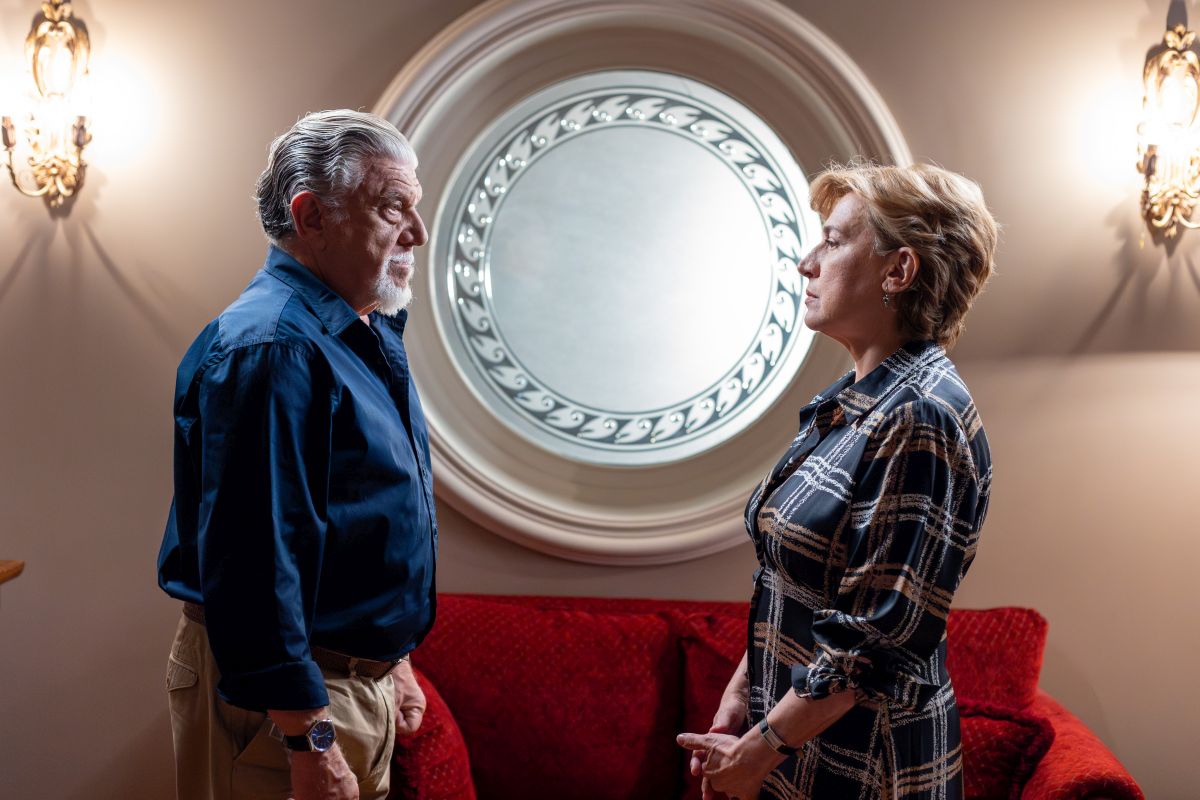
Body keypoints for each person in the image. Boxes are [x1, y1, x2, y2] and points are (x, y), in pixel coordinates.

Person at [677, 161, 998, 800]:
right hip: (800, 741)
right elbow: (796, 583)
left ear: (898, 271)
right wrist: (744, 692)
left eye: (832, 241)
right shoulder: (855, 399)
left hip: (865, 765)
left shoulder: (918, 416)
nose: (807, 263)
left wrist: (758, 753)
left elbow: (871, 643)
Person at [157, 109, 437, 800]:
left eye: (415, 206)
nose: (417, 232)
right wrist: (310, 737)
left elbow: (352, 527)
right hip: (291, 709)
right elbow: (255, 560)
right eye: (392, 206)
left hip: (344, 689)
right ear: (311, 216)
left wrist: (392, 661)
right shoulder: (274, 347)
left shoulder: (358, 333)